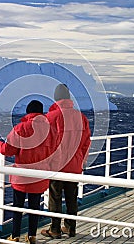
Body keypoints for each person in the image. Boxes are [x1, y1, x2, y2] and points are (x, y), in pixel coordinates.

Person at [0, 100, 53, 244]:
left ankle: (15, 236)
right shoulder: (50, 130)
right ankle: (32, 236)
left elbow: (8, 150)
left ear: (28, 112)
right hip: (40, 175)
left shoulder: (20, 128)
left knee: (18, 207)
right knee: (34, 207)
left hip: (22, 176)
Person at [41, 84, 91, 239]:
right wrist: (82, 161)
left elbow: (45, 143)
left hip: (56, 166)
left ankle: (55, 229)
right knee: (71, 197)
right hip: (74, 166)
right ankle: (70, 228)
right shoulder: (81, 117)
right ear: (69, 98)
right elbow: (86, 142)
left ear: (56, 98)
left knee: (55, 198)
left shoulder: (50, 118)